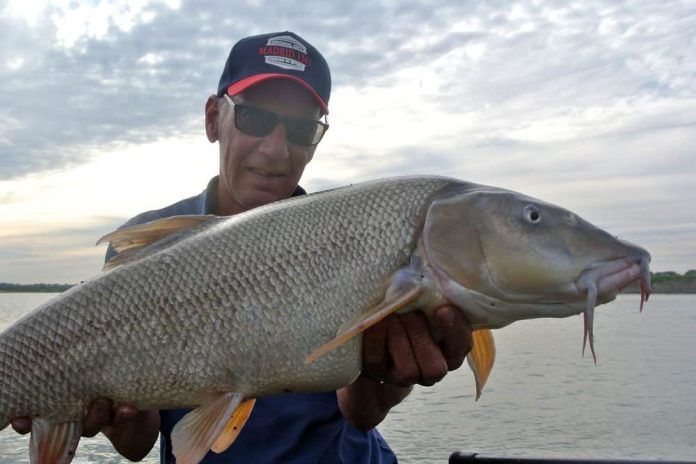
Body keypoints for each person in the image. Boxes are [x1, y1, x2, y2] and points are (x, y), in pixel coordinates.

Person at [12, 31, 473, 463]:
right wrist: (109, 414)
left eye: (299, 129)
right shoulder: (149, 245)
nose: (275, 149)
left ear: (316, 142)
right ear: (215, 118)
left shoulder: (352, 240)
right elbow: (139, 443)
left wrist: (389, 378)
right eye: (255, 118)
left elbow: (360, 412)